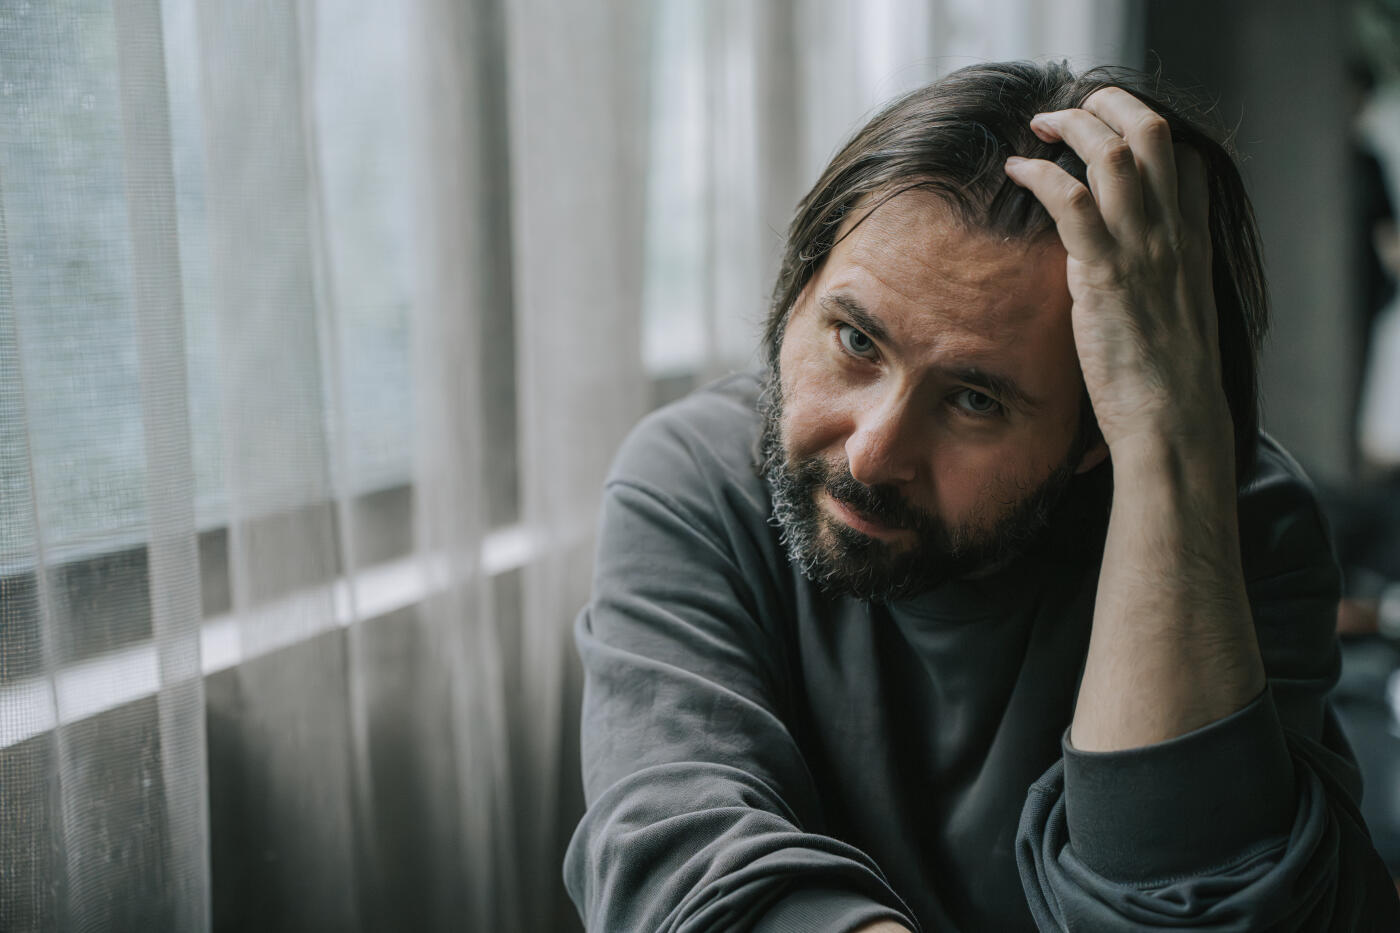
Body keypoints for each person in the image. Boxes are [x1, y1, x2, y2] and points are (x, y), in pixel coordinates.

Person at [562, 61, 1400, 931]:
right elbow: (678, 868)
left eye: (975, 400)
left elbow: (1205, 911)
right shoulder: (696, 479)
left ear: (1092, 438)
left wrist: (1164, 442)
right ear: (797, 289)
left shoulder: (1238, 519)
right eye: (854, 339)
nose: (873, 451)